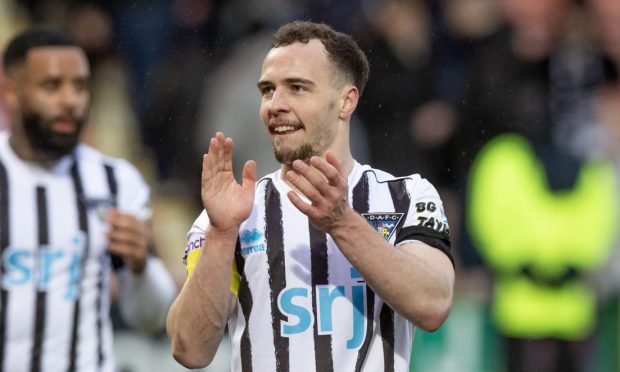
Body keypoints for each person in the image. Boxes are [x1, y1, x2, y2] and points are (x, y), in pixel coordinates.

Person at [167, 20, 455, 372]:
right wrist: (221, 234)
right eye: (267, 90)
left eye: (297, 88)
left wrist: (343, 223)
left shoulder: (407, 196)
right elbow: (190, 350)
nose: (275, 104)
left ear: (346, 101)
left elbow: (433, 305)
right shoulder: (233, 214)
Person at [0, 27, 177, 372]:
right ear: (11, 93)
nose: (71, 100)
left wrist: (141, 266)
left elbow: (152, 317)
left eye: (80, 86)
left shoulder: (116, 181)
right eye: (52, 86)